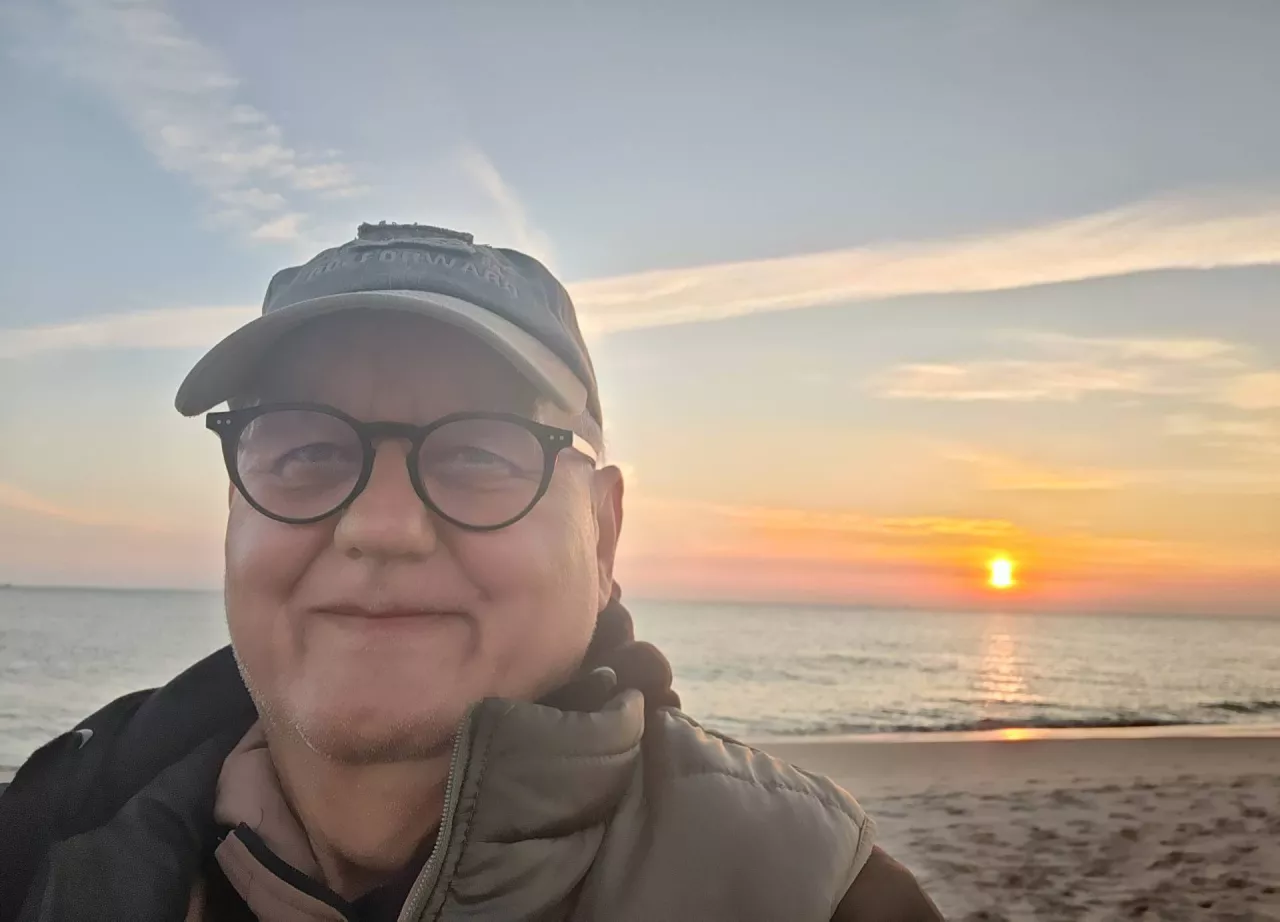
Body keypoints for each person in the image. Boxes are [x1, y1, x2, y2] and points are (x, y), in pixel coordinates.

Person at [0, 223, 943, 921]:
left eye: (482, 454)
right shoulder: (47, 841)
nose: (381, 527)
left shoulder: (810, 894)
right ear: (234, 511)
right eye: (305, 452)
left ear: (603, 536)